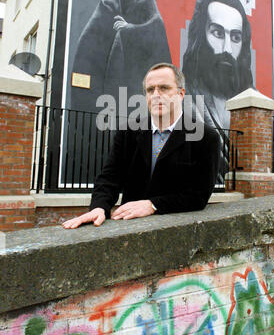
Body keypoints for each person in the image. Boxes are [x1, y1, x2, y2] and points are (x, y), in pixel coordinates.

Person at [63, 63, 220, 229]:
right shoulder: (128, 132)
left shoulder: (206, 137)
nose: (156, 95)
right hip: (129, 229)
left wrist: (152, 205)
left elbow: (198, 195)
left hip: (178, 232)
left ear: (181, 94)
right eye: (150, 90)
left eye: (164, 88)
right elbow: (110, 177)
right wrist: (99, 207)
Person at [71, 0, 171, 113]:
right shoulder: (106, 8)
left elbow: (164, 70)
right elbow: (86, 59)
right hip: (104, 108)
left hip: (140, 109)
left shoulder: (154, 21)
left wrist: (130, 32)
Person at [182, 0, 253, 132]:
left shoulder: (253, 103)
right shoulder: (182, 96)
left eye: (235, 37)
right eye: (218, 33)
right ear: (200, 37)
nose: (227, 48)